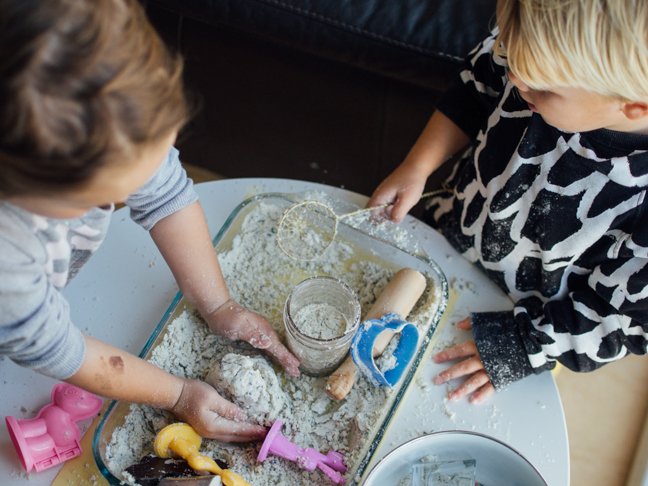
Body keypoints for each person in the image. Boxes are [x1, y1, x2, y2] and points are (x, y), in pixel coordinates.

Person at [0, 0, 300, 442]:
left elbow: (166, 195)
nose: (147, 181)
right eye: (113, 194)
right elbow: (57, 348)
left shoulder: (108, 110)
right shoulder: (9, 257)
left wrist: (219, 306)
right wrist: (178, 395)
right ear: (45, 193)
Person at [368, 0, 648, 404]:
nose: (515, 81)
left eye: (541, 87)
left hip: (530, 320)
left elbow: (619, 323)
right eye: (507, 56)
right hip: (454, 227)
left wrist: (522, 346)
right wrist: (419, 165)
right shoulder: (536, 54)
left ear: (633, 105)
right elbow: (474, 87)